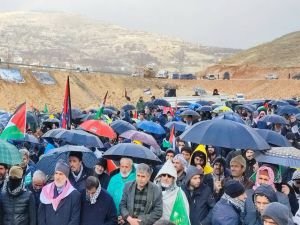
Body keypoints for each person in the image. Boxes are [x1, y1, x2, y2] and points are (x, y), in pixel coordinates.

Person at [39, 160, 81, 225]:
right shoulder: (46, 190)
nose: (58, 177)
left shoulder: (74, 194)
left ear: (66, 177)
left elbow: (74, 219)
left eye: (61, 174)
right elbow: (41, 216)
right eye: (56, 173)